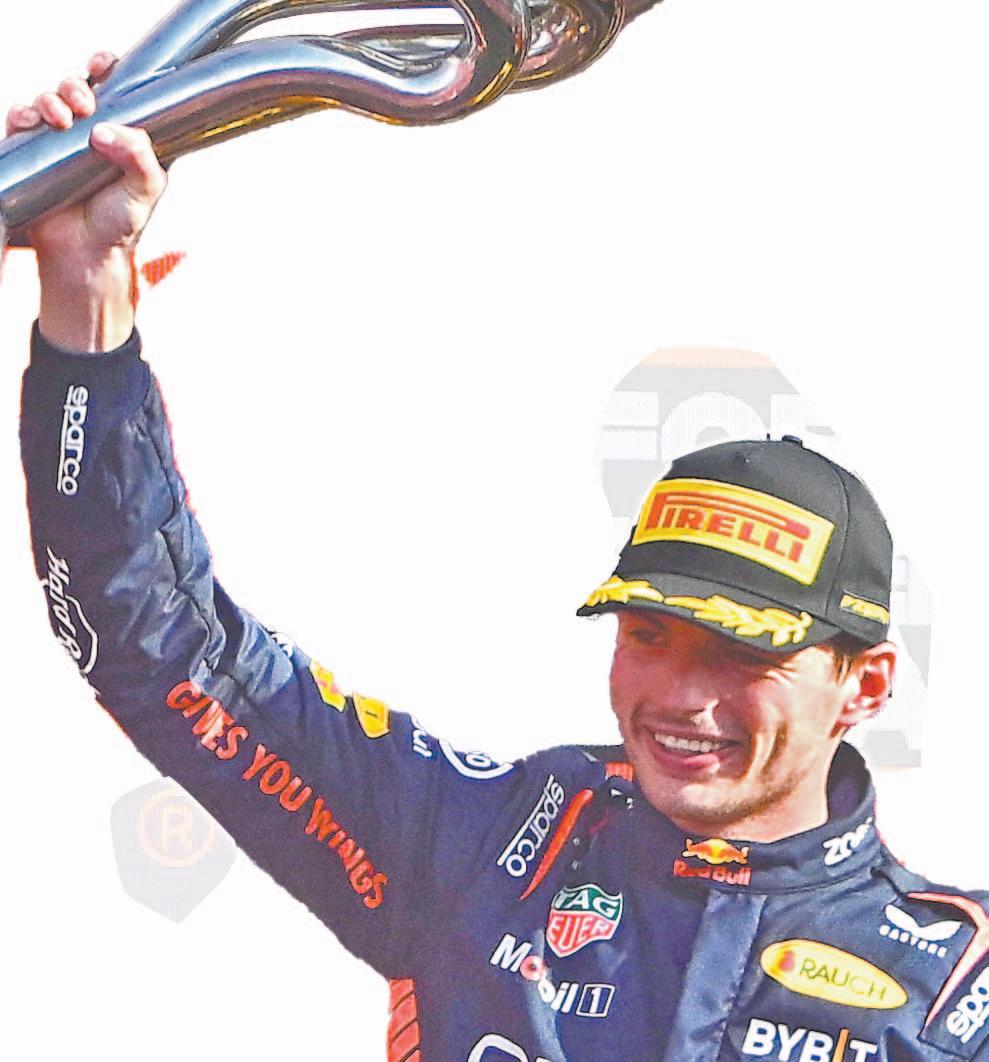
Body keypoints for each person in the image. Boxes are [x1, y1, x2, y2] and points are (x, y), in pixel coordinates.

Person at [12, 58, 989, 1062]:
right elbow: (166, 651)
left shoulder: (956, 991)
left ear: (865, 684)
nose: (679, 698)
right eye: (648, 636)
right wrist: (86, 292)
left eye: (742, 654)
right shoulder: (495, 844)